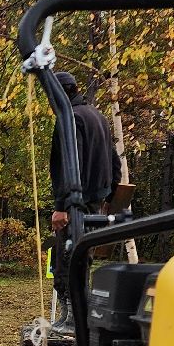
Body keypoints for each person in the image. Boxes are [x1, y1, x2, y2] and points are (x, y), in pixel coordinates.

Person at [47, 70, 122, 329]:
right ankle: (76, 315)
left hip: (76, 204)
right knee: (82, 256)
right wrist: (111, 195)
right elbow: (115, 161)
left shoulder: (70, 119)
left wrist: (62, 206)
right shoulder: (98, 117)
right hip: (95, 202)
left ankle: (73, 318)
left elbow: (71, 165)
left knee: (67, 257)